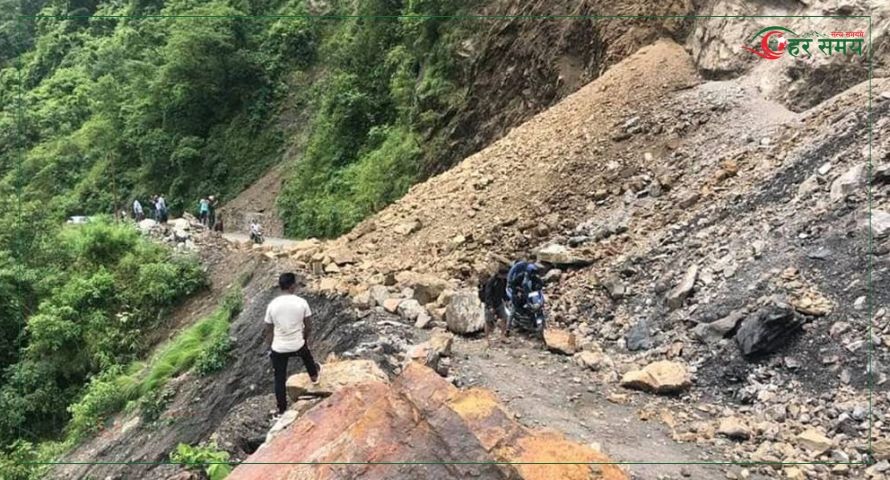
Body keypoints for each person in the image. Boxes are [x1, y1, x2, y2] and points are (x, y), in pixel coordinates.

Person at [264, 272, 320, 415]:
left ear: (280, 286)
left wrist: (271, 347)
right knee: (307, 356)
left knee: (279, 378)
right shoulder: (301, 302)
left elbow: (268, 330)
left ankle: (282, 409)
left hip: (279, 348)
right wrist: (304, 339)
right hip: (297, 345)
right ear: (292, 286)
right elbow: (309, 326)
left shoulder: (272, 305)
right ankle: (314, 378)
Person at [478, 265, 509, 340]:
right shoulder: (491, 281)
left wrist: (506, 299)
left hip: (499, 303)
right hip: (490, 304)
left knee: (504, 318)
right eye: (505, 275)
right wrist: (490, 306)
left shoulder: (504, 280)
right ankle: (487, 339)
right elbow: (488, 294)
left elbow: (503, 291)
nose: (506, 276)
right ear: (500, 274)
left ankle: (502, 336)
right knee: (488, 321)